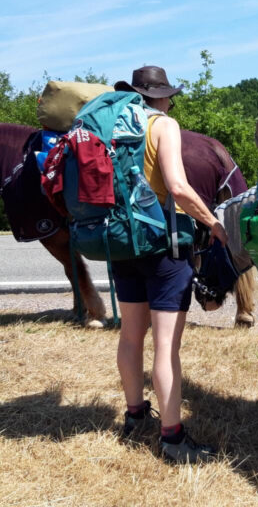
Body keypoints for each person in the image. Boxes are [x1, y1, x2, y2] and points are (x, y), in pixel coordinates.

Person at [111, 65, 229, 464]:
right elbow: (177, 188)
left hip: (122, 244)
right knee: (166, 345)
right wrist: (213, 223)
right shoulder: (163, 125)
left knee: (130, 337)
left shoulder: (113, 124)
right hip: (163, 247)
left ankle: (134, 416)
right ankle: (173, 438)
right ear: (162, 96)